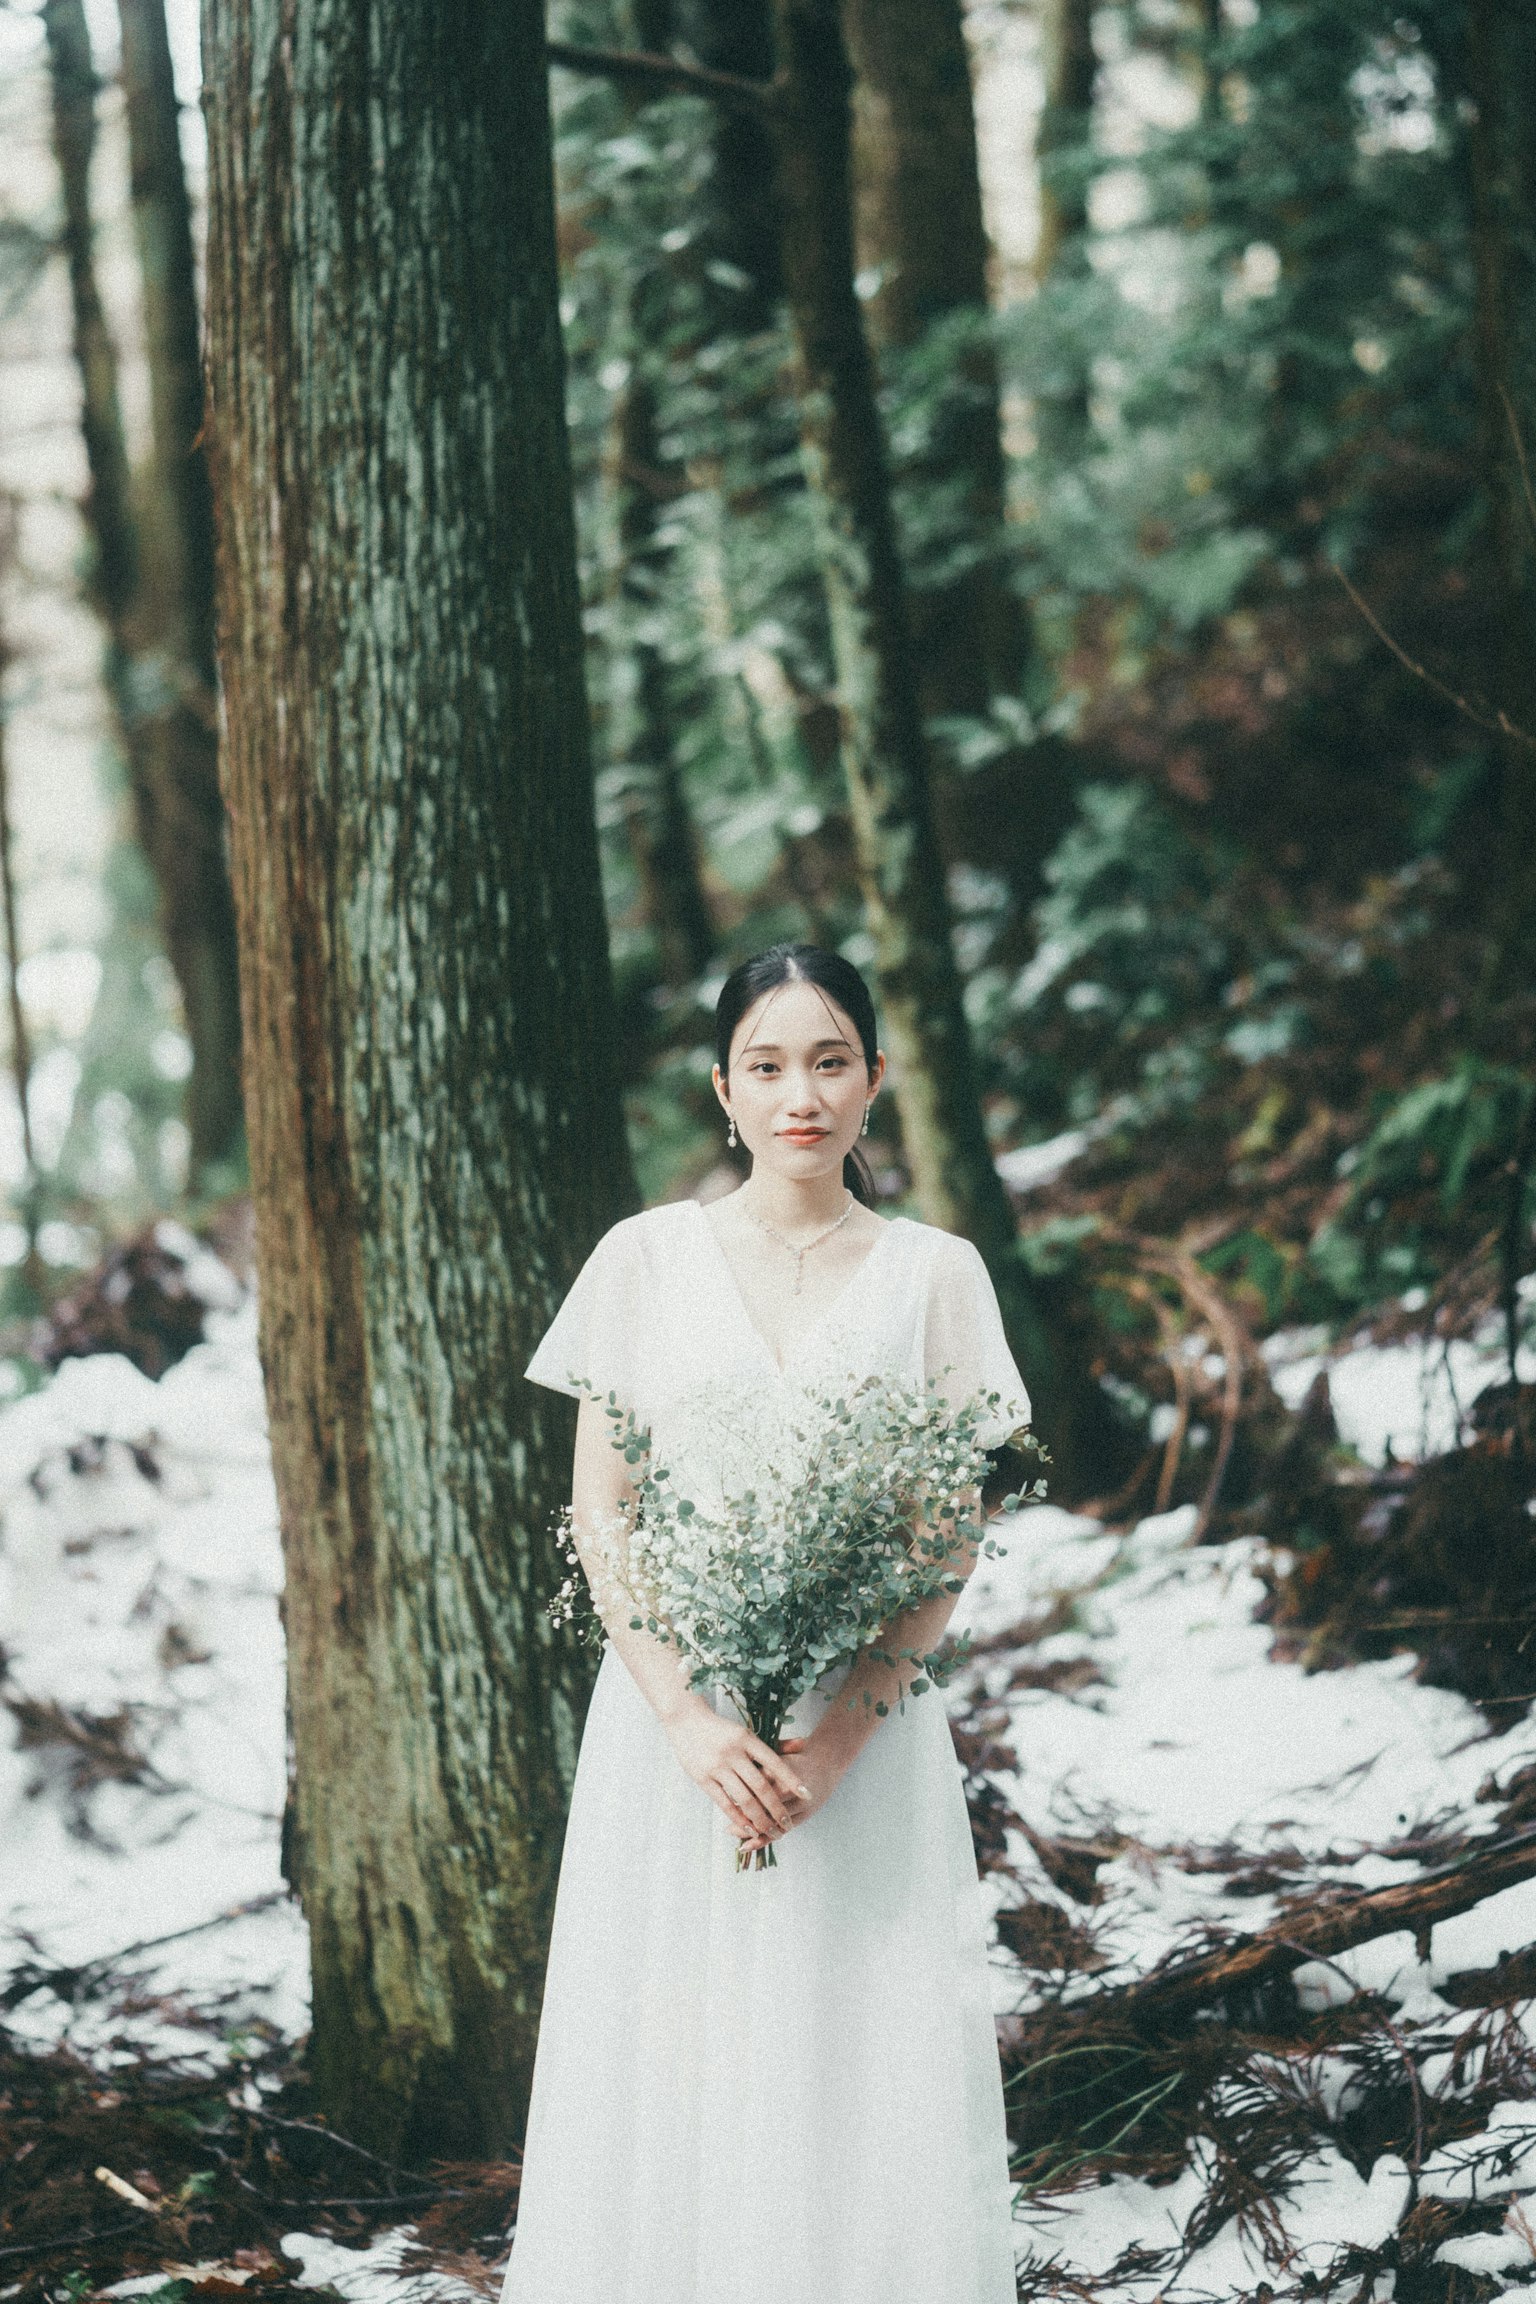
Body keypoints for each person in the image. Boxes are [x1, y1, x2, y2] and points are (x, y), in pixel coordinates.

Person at [501, 943, 1030, 2304]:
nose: (802, 1093)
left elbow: (946, 1532)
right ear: (722, 1090)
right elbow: (602, 1513)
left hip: (859, 1738)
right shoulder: (645, 1260)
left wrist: (849, 1729)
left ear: (875, 1080)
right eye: (769, 1064)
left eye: (831, 1060)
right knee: (676, 2042)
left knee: (856, 2046)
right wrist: (684, 1712)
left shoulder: (936, 1276)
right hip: (677, 1737)